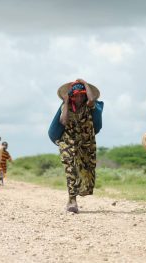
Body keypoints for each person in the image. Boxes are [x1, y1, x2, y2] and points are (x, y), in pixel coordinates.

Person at [57, 79, 100, 213]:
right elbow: (63, 121)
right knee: (70, 169)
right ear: (72, 95)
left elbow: (92, 99)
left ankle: (77, 194)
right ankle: (72, 200)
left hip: (86, 142)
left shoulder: (89, 105)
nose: (80, 98)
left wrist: (85, 83)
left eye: (82, 95)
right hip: (68, 142)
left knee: (87, 168)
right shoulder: (65, 106)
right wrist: (66, 102)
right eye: (76, 95)